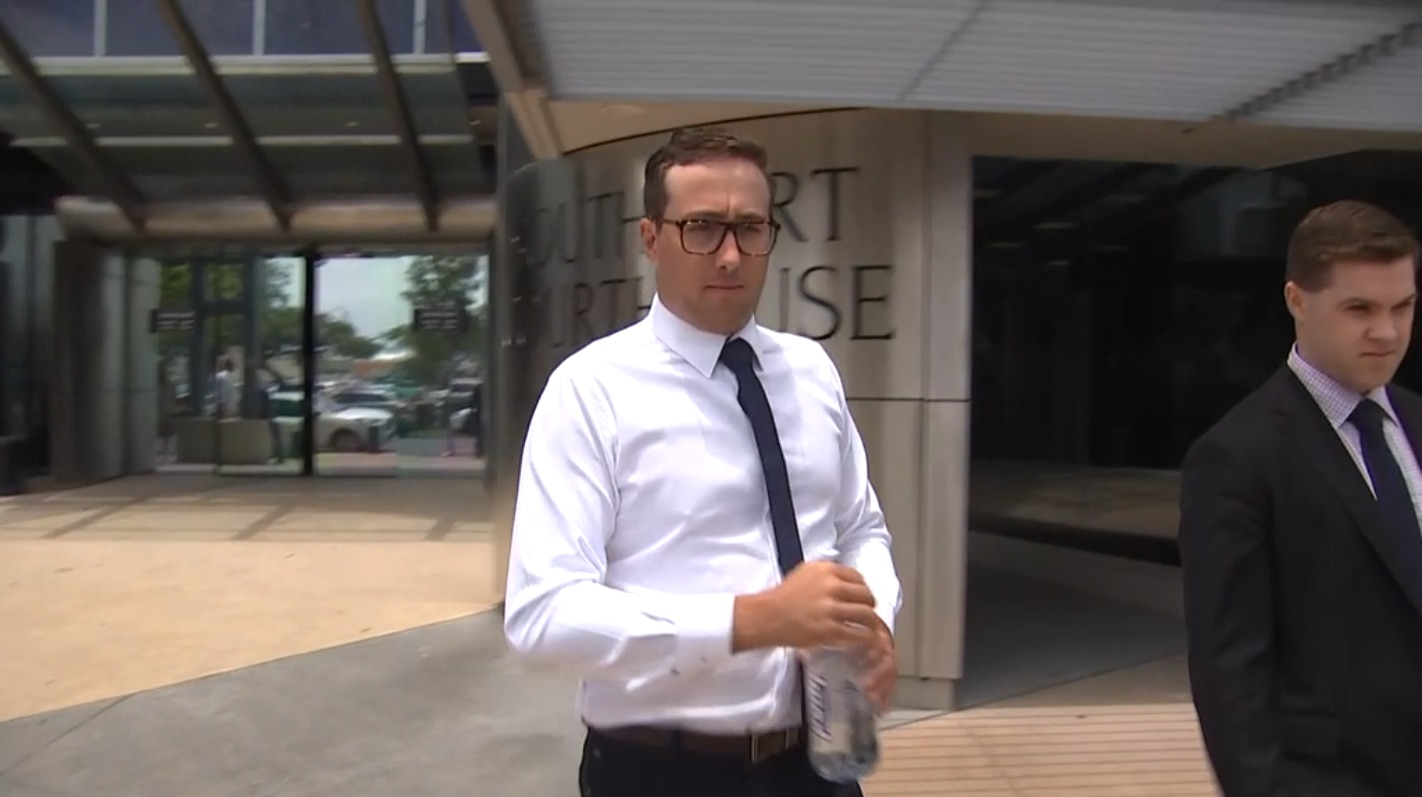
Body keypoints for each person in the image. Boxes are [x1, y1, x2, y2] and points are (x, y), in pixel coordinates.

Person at [502, 127, 902, 797]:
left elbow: (861, 528)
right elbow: (544, 615)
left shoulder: (810, 371)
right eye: (702, 227)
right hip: (662, 770)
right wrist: (752, 620)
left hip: (821, 763)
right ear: (651, 238)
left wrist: (873, 620)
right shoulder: (592, 389)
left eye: (750, 227)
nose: (729, 253)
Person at [1178, 199, 1422, 795]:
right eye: (1359, 308)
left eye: (1403, 306)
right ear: (1297, 301)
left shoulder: (1417, 421)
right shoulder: (1235, 458)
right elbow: (1229, 671)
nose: (1387, 331)